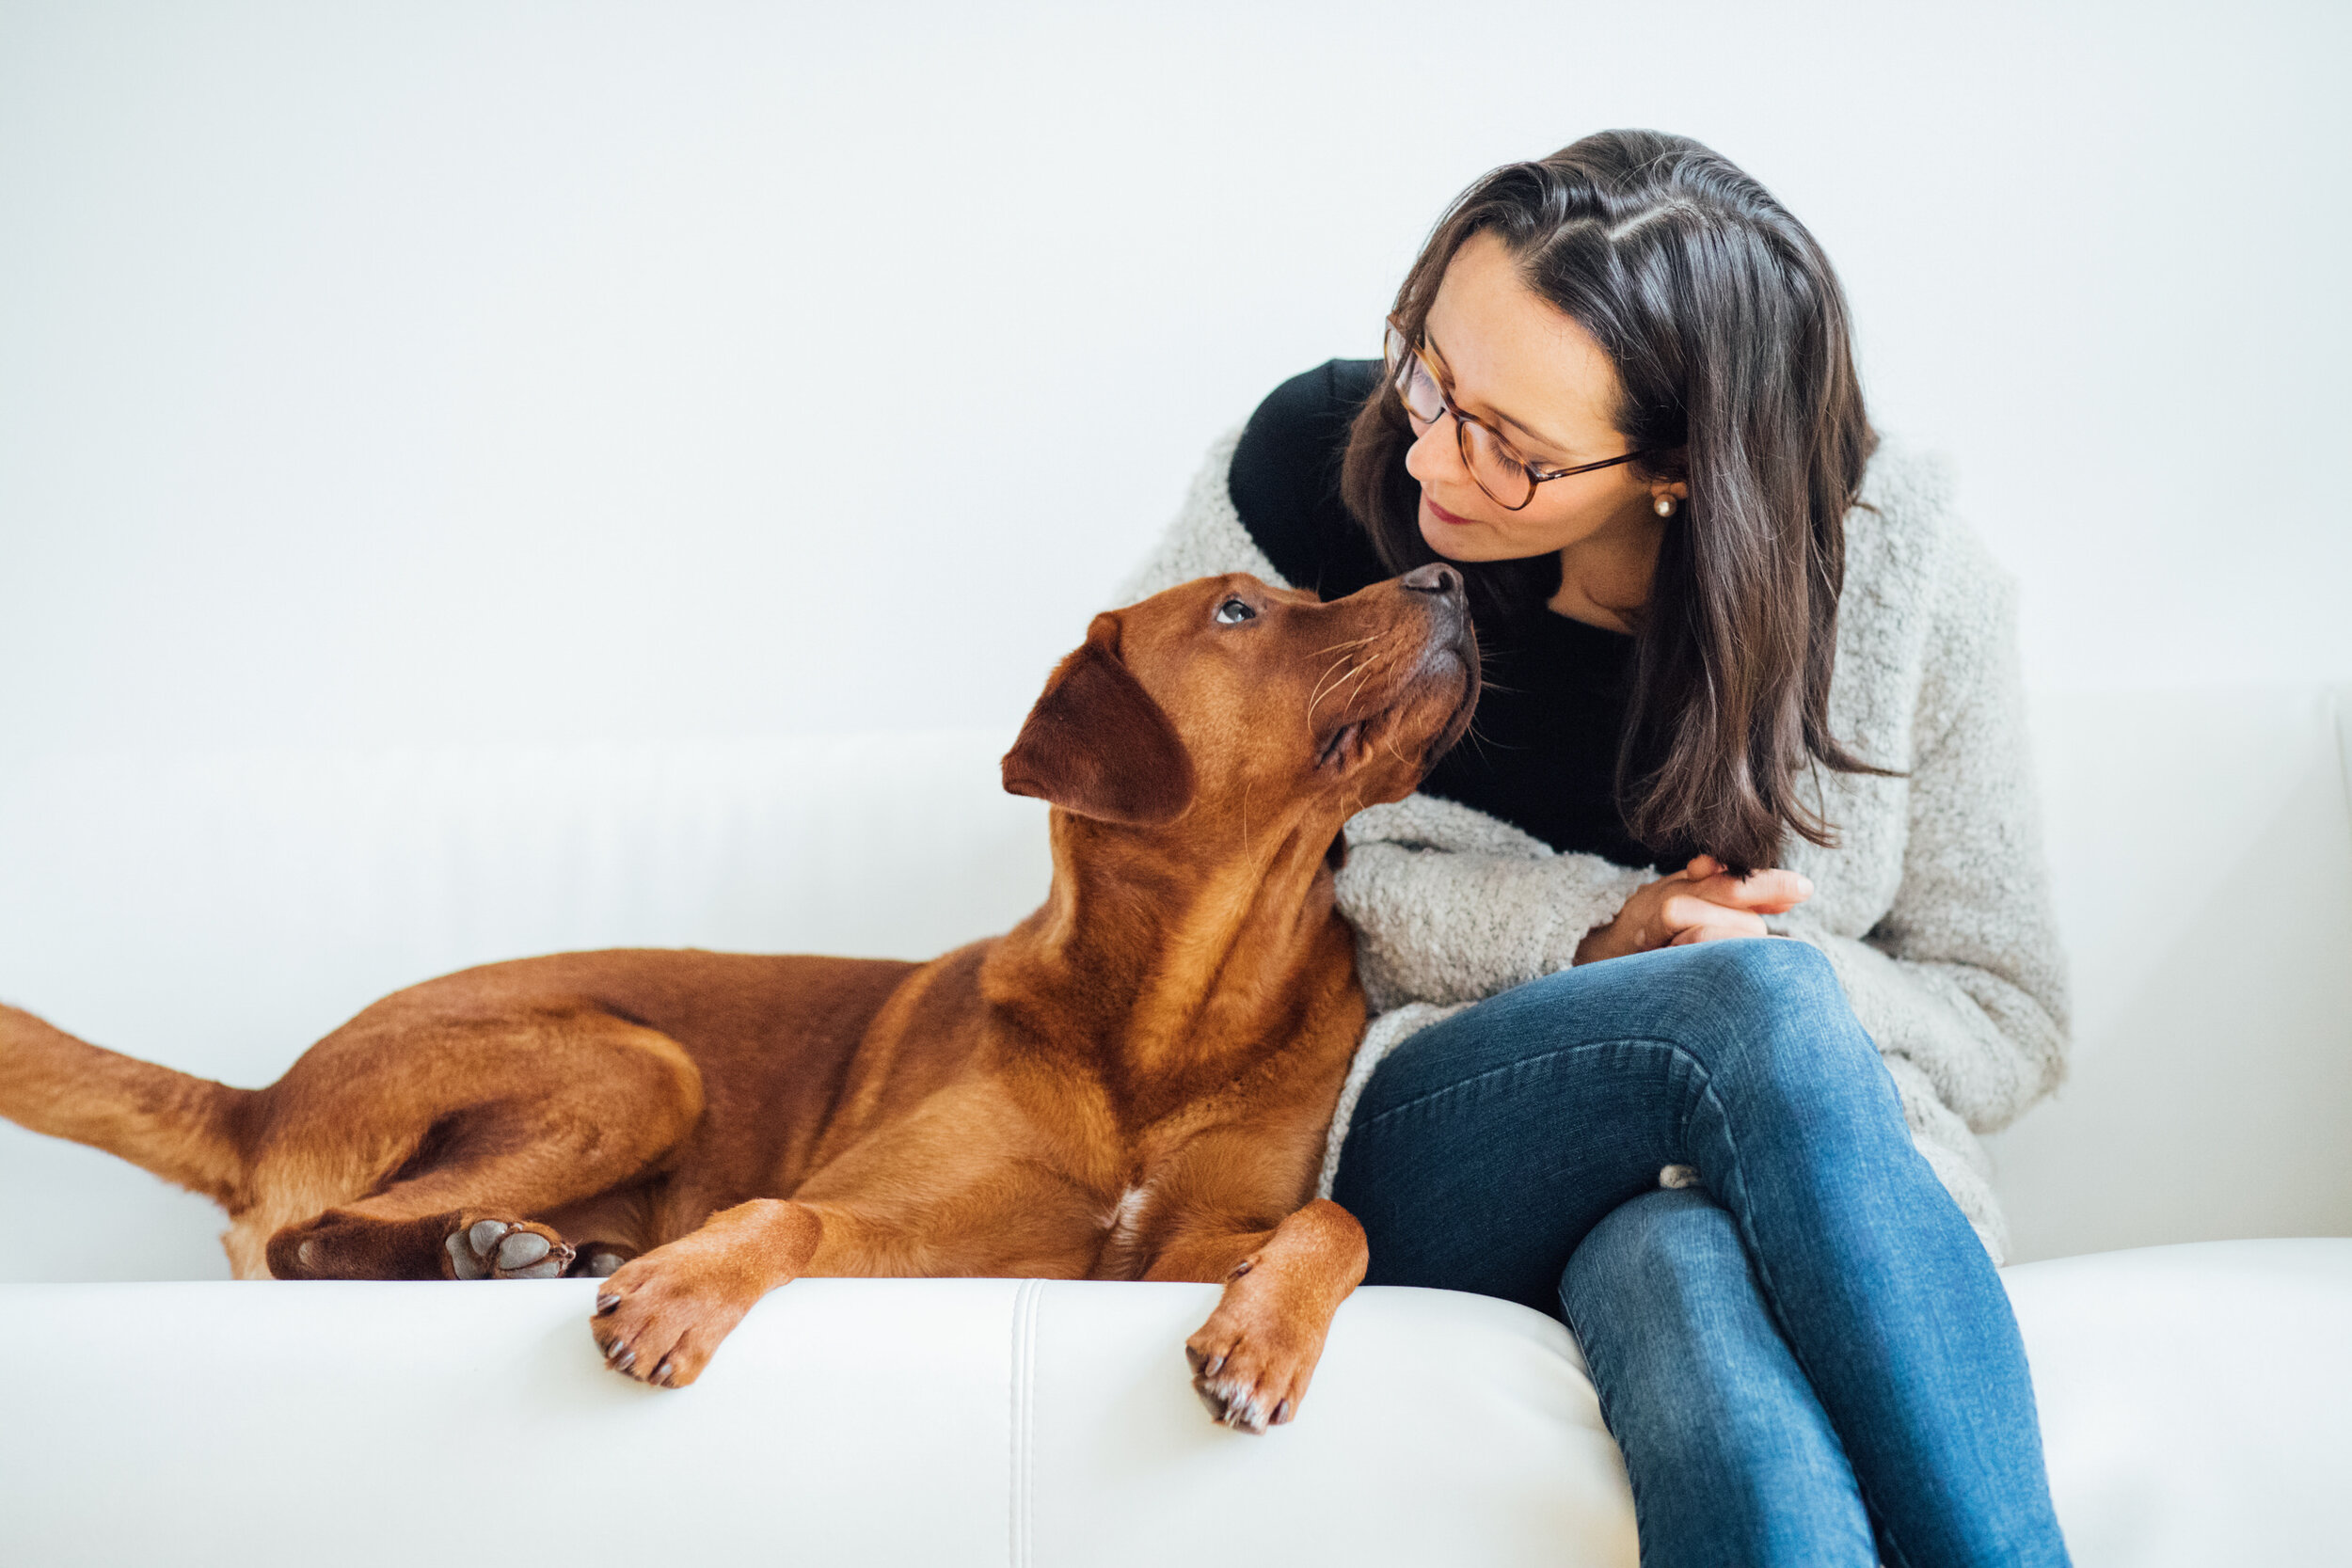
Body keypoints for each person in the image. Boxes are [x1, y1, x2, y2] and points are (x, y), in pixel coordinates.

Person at [1120, 130, 2072, 1567]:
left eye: (1517, 447)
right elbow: (1146, 838)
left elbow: (2008, 1014)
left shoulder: (1906, 586)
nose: (1435, 454)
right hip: (1404, 1129)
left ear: (1682, 468)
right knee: (1740, 1010)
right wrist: (1604, 937)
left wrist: (1760, 955)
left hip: (1765, 1188)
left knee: (1683, 1274)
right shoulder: (1315, 483)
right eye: (1430, 369)